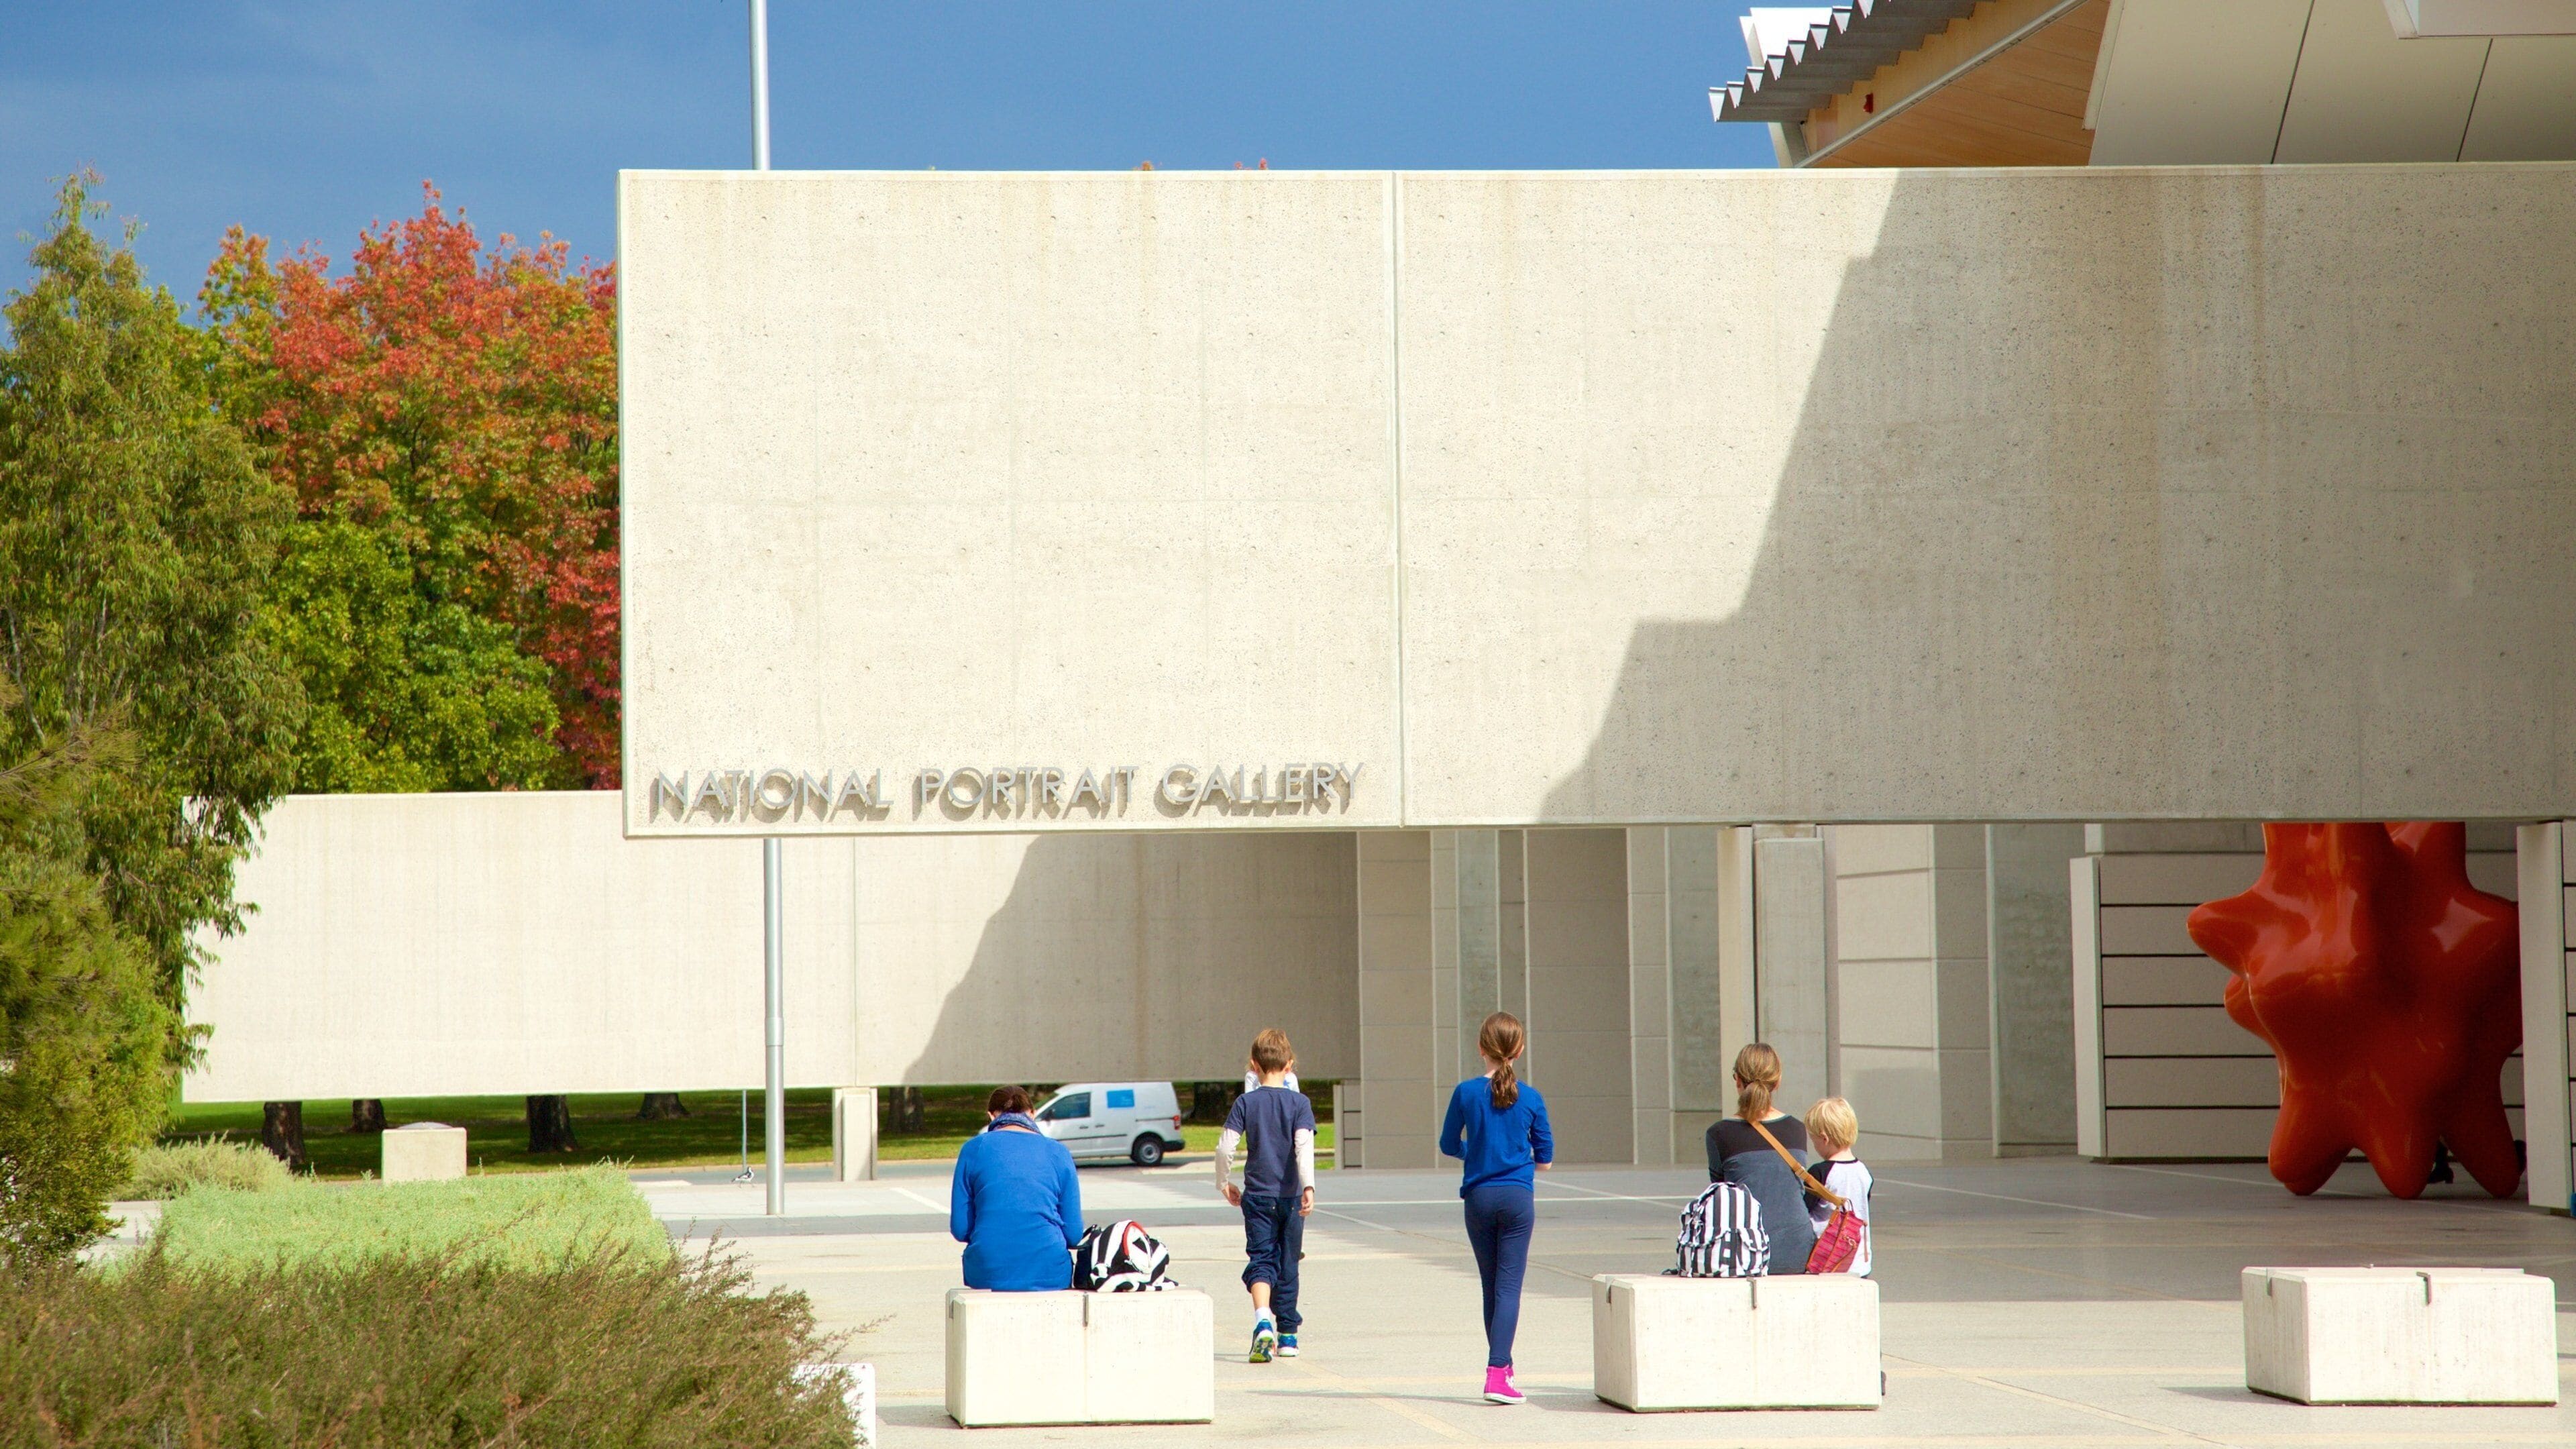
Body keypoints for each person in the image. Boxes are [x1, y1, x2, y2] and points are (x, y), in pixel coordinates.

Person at [1439, 1012, 1554, 1405]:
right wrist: (1514, 1156)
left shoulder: (1466, 1093)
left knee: (1492, 1287)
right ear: (1519, 1050)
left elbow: (1448, 1143)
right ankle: (1498, 1371)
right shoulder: (1532, 1097)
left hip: (1479, 1198)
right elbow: (1546, 1158)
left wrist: (1478, 1153)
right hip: (1518, 1199)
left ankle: (1501, 1368)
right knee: (1509, 1289)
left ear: (1480, 1048)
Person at [1217, 1028, 1316, 1362]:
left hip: (1257, 1195)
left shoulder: (1245, 1103)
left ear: (1253, 1065)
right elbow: (1304, 1147)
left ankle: (1263, 1324)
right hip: (1290, 1197)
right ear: (1290, 1065)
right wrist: (1308, 1186)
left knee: (1261, 1259)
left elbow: (1225, 1146)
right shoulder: (1300, 1103)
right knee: (1289, 1262)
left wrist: (1224, 1182)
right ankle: (1288, 1334)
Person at [949, 1085, 1083, 1291]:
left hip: (988, 1270)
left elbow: (960, 1229)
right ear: (1032, 1113)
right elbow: (1074, 1234)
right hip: (1049, 1270)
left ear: (991, 1116)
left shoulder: (973, 1149)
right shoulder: (1058, 1152)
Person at [1703, 1043, 1815, 1275]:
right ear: (1778, 1082)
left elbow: (1721, 1195)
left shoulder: (1719, 1134)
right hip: (1798, 1250)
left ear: (1737, 1080)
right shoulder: (1796, 1129)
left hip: (1746, 1253)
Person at [1804, 1095, 1875, 1277]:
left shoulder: (1820, 1173)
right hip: (1858, 1261)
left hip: (1826, 1259)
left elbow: (1803, 1211)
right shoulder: (1863, 1172)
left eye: (1814, 1141)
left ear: (1824, 1139)